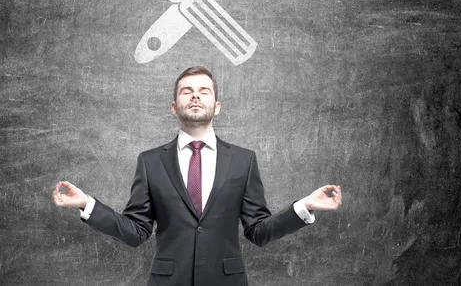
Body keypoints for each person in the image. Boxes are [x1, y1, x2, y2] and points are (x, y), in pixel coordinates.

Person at [52, 66, 342, 286]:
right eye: (186, 90)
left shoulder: (244, 160)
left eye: (204, 91)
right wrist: (86, 204)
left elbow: (259, 231)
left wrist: (306, 206)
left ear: (216, 106)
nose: (195, 95)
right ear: (174, 107)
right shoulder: (150, 161)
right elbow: (135, 232)